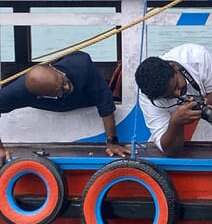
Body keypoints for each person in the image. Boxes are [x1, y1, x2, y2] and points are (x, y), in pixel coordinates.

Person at [0, 51, 130, 161]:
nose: (68, 87)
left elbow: (105, 103)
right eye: (61, 90)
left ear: (54, 68)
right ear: (41, 96)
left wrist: (112, 142)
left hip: (87, 97)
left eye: (64, 81)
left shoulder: (81, 64)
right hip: (60, 106)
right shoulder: (20, 91)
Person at [135, 43, 212, 156]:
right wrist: (175, 122)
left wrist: (201, 104)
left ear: (174, 68)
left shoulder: (197, 57)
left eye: (176, 86)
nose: (177, 94)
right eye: (169, 96)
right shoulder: (149, 97)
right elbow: (169, 150)